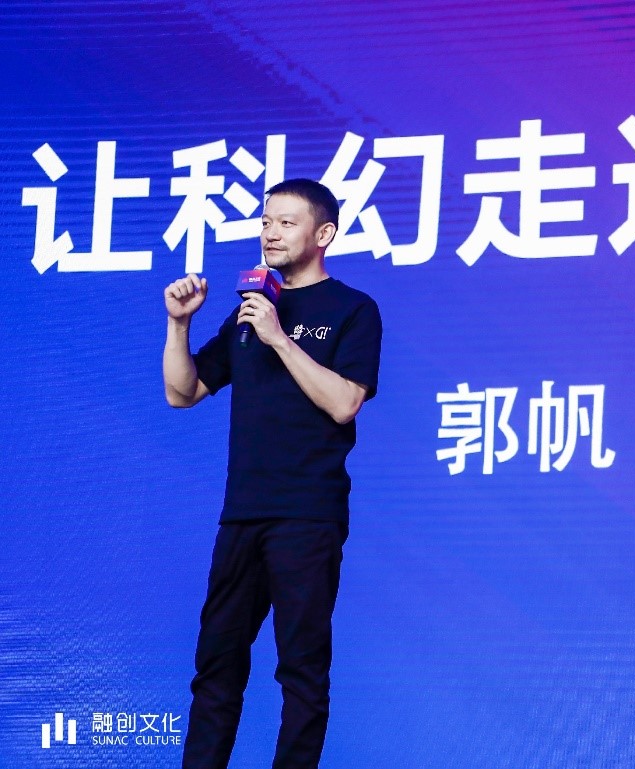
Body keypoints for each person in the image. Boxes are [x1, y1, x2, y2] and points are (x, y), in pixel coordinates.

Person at [162, 179, 382, 769]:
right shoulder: (248, 311)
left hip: (307, 516)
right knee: (216, 666)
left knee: (301, 671)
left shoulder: (352, 309)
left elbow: (345, 403)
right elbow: (183, 393)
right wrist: (179, 325)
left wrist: (279, 339)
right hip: (242, 514)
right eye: (265, 222)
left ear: (323, 233)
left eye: (286, 222)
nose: (270, 233)